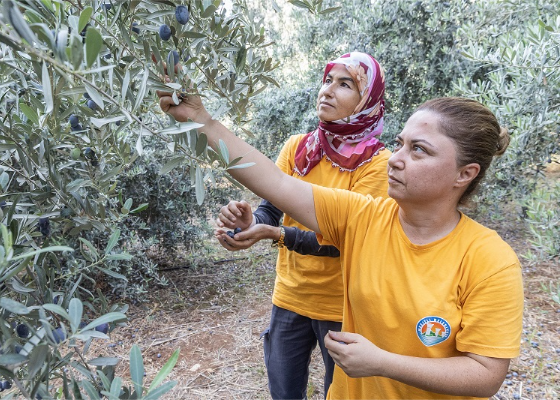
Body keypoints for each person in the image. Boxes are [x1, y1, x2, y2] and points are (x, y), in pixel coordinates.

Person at [158, 79, 523, 398]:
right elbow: (276, 182)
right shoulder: (363, 217)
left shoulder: (489, 259)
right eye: (399, 144)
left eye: (419, 150)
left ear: (465, 173)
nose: (396, 159)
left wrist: (382, 363)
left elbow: (486, 375)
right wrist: (202, 121)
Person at [214, 52, 391, 400]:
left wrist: (276, 234)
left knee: (339, 394)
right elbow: (271, 209)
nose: (328, 90)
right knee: (283, 391)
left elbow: (345, 240)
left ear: (367, 99)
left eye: (345, 84)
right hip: (290, 296)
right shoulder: (299, 148)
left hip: (342, 306)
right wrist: (251, 222)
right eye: (328, 80)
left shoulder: (376, 164)